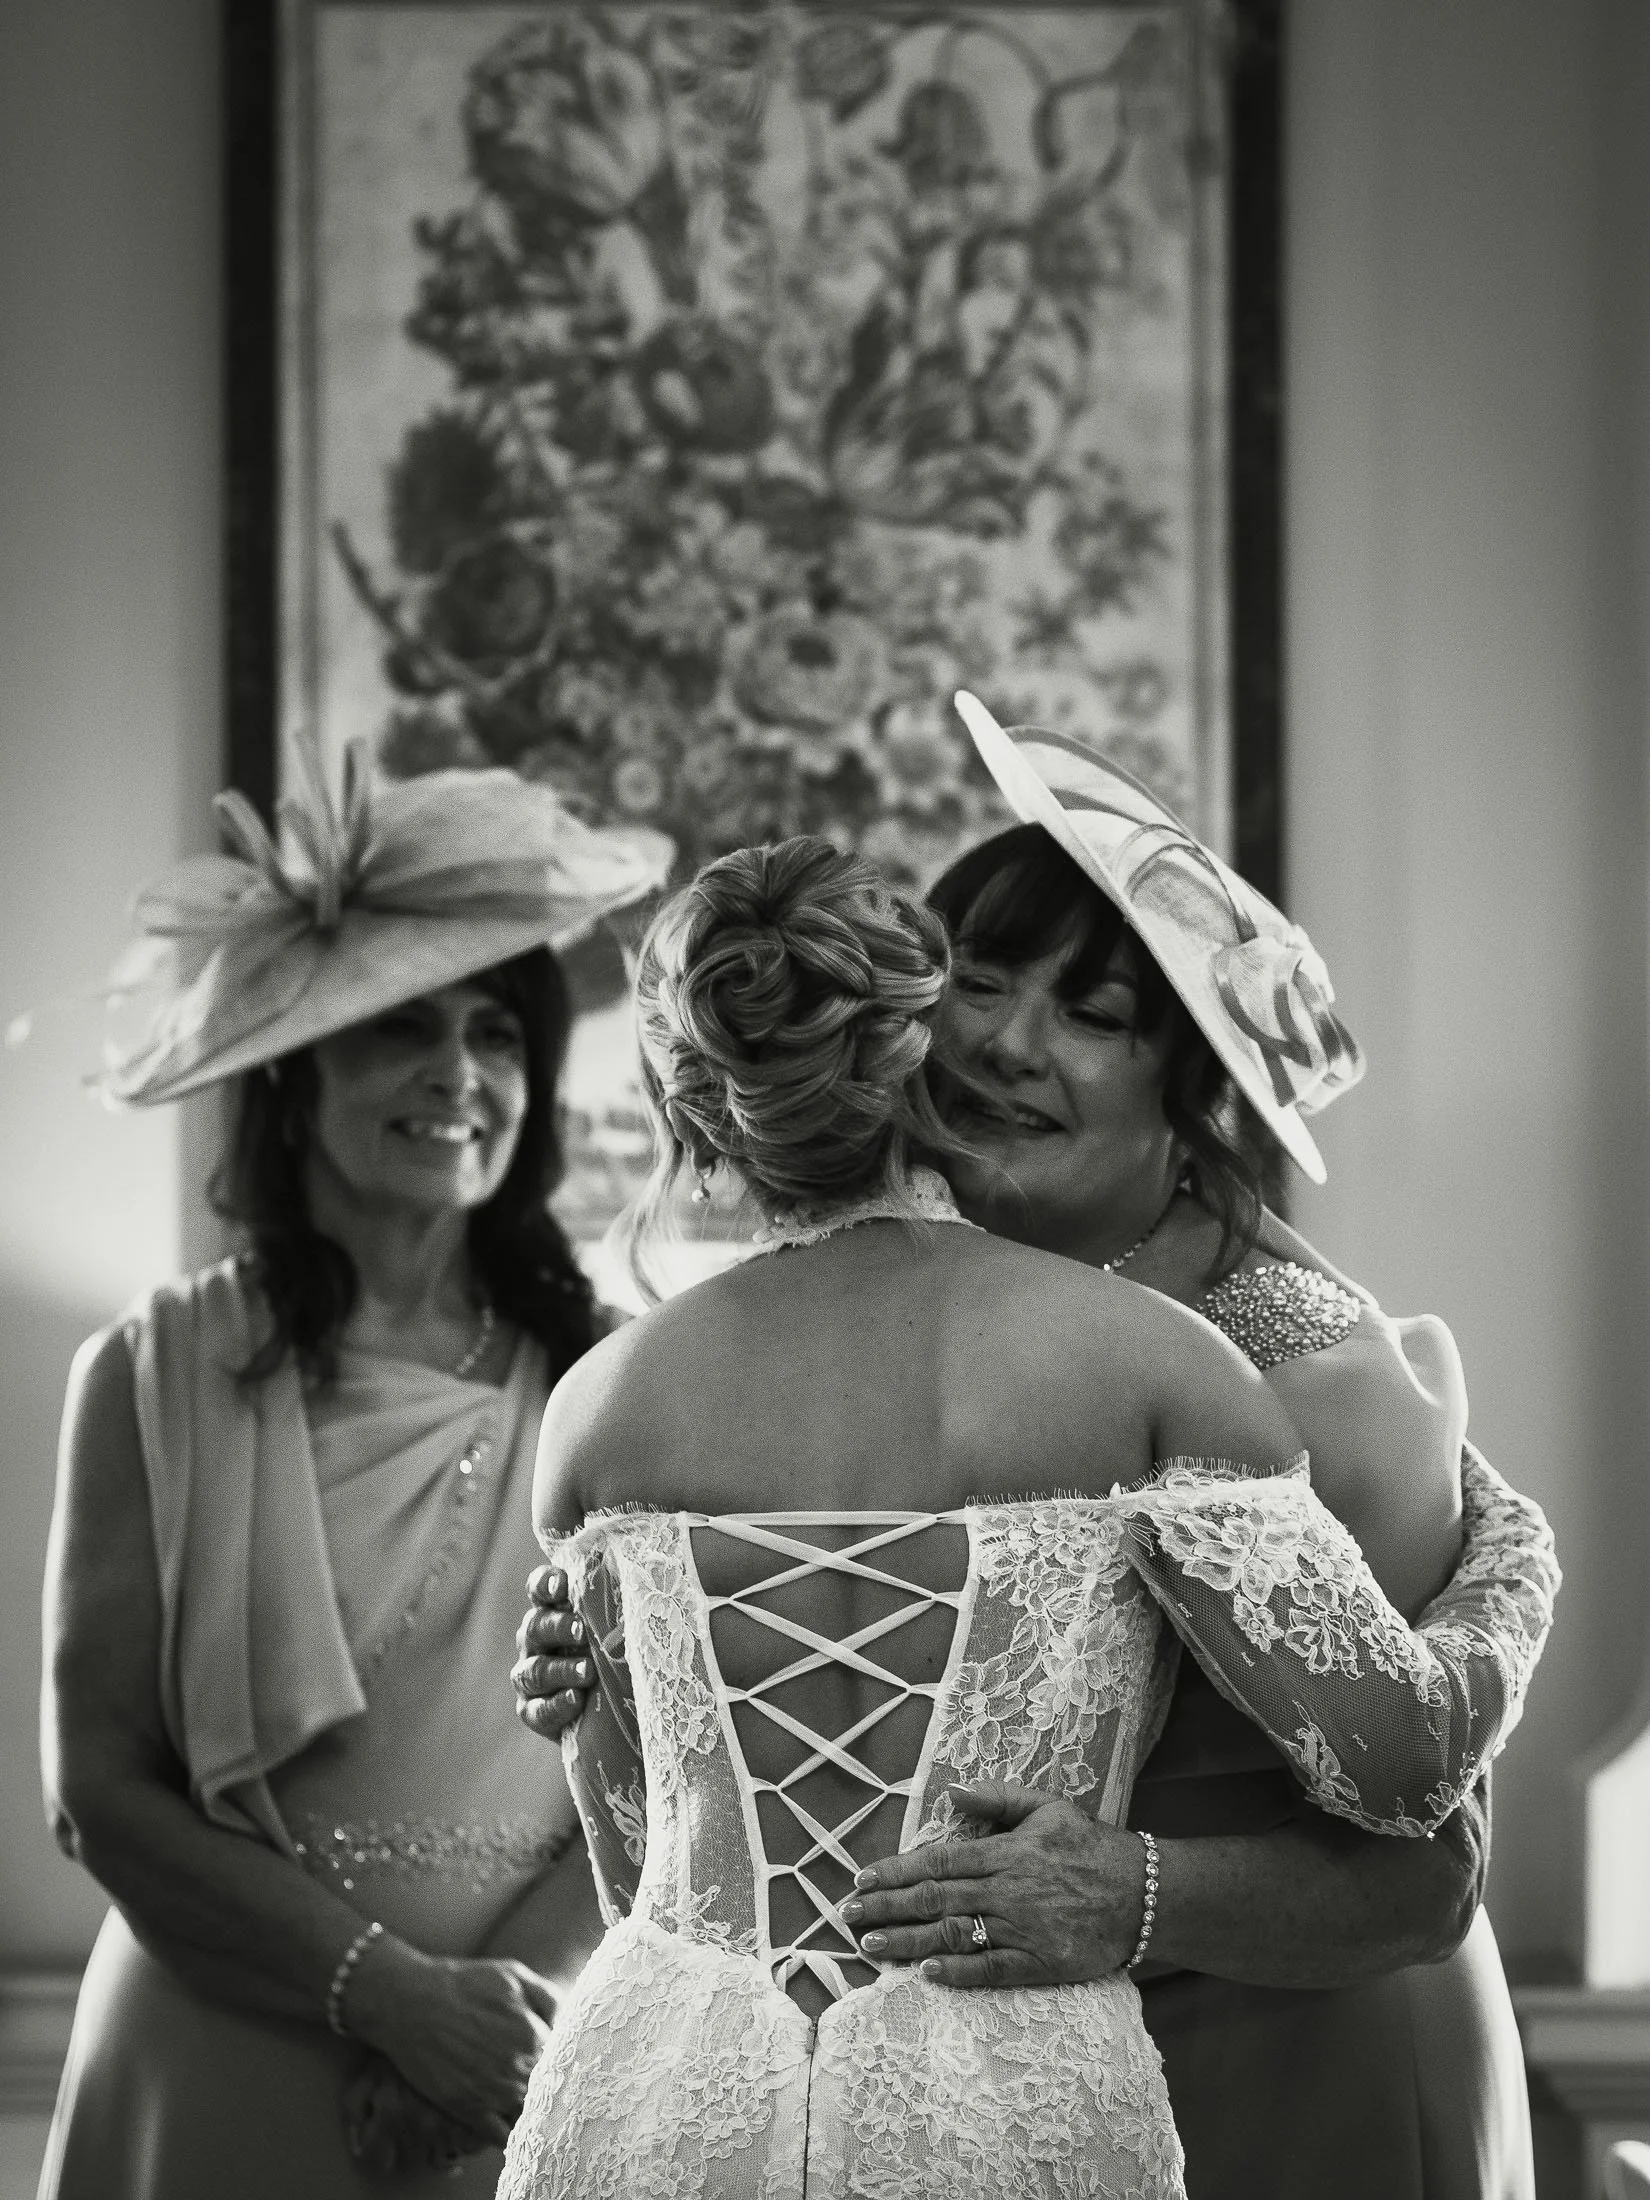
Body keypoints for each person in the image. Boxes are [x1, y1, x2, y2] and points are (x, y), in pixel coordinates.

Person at [513, 695, 1560, 2197]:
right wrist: (616, 1695)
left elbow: (1423, 1876)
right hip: (948, 2084)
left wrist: (1124, 1895)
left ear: (1188, 1085)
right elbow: (674, 1858)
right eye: (983, 979)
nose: (1003, 1043)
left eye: (1092, 1013)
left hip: (1288, 2057)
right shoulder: (1030, 1335)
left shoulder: (1314, 1383)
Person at [38, 753, 670, 2197]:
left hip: (520, 2060)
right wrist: (381, 1996)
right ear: (290, 1074)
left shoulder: (610, 1384)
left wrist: (509, 2013)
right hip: (214, 2042)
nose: (459, 1075)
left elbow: (659, 1771)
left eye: (496, 1036)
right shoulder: (147, 1374)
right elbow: (100, 1789)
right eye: (401, 1031)